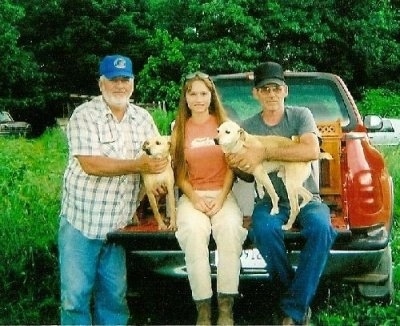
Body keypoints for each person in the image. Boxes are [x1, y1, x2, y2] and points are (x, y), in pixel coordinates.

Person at [58, 54, 168, 325]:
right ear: (101, 83)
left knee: (115, 300)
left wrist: (159, 184)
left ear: (132, 83)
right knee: (74, 298)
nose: (120, 86)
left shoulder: (143, 118)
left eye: (125, 79)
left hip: (119, 228)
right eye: (113, 80)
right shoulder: (84, 115)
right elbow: (91, 164)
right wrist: (138, 164)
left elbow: (156, 159)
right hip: (81, 222)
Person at [227, 62, 338, 325]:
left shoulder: (301, 116)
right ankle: (296, 302)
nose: (271, 94)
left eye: (276, 88)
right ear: (255, 94)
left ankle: (290, 308)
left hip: (307, 198)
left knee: (322, 229)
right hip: (270, 201)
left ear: (285, 91)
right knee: (263, 231)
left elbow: (310, 151)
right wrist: (238, 164)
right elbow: (246, 172)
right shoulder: (246, 126)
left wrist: (263, 151)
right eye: (264, 89)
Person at [171, 72, 248, 326]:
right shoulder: (178, 128)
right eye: (192, 93)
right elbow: (179, 174)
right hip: (193, 197)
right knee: (193, 233)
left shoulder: (224, 123)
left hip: (222, 194)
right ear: (185, 97)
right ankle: (203, 310)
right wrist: (194, 199)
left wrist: (221, 197)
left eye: (203, 93)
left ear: (211, 95)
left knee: (229, 230)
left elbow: (231, 168)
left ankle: (226, 309)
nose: (198, 99)